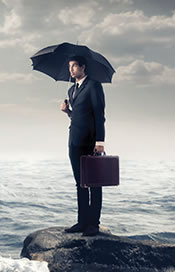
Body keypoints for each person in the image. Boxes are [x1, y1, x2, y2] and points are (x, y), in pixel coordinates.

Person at [60, 55, 105, 236]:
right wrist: (67, 112)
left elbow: (99, 114)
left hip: (90, 141)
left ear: (83, 68)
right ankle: (82, 221)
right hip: (74, 141)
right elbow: (77, 116)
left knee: (94, 183)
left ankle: (93, 224)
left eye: (74, 66)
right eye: (69, 67)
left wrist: (100, 142)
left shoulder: (94, 85)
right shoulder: (72, 90)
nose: (71, 70)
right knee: (80, 183)